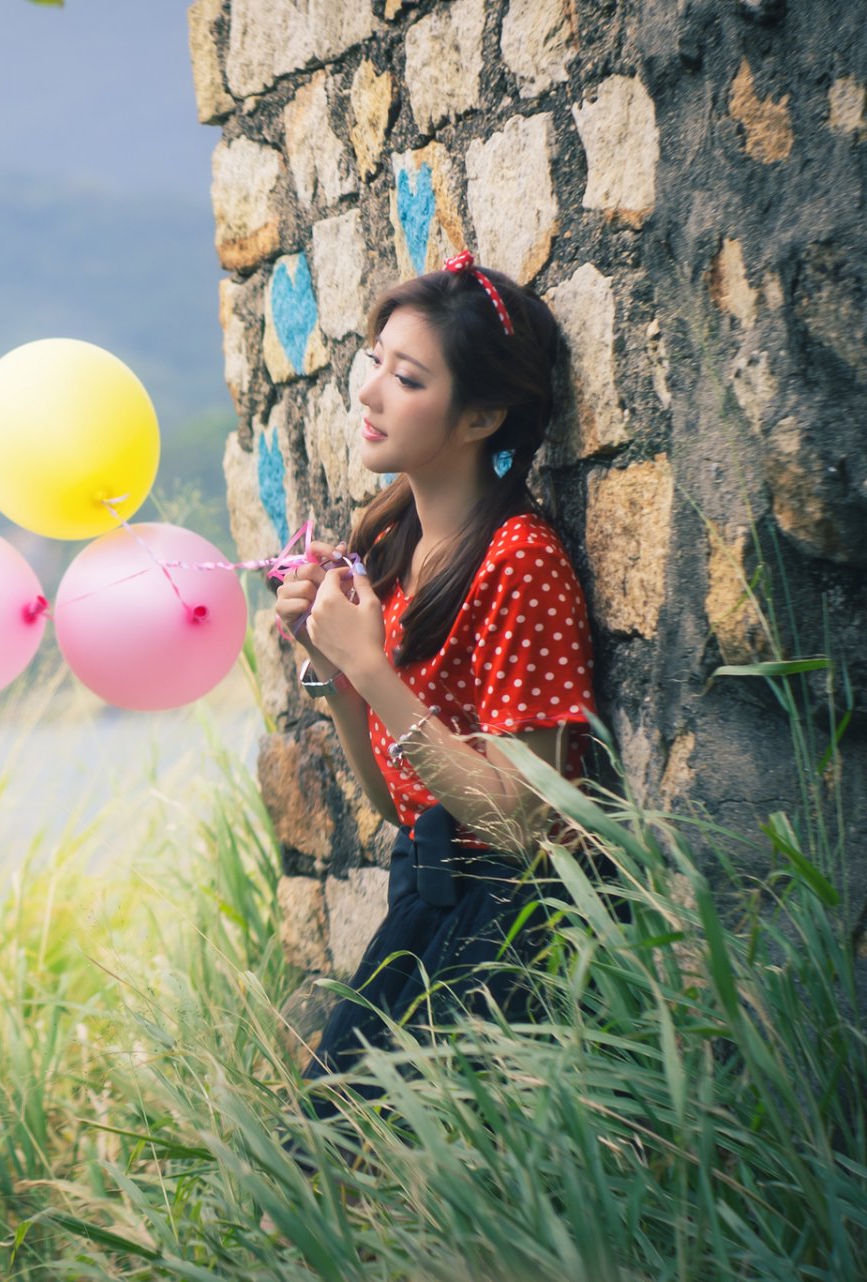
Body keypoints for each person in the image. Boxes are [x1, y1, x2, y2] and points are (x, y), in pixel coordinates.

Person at [269, 249, 601, 1134]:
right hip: (422, 909)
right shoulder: (393, 551)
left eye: (405, 376)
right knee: (322, 1163)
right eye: (373, 360)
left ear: (482, 415)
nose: (369, 391)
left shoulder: (518, 560)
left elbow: (526, 825)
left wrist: (371, 668)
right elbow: (395, 803)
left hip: (511, 933)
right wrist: (335, 668)